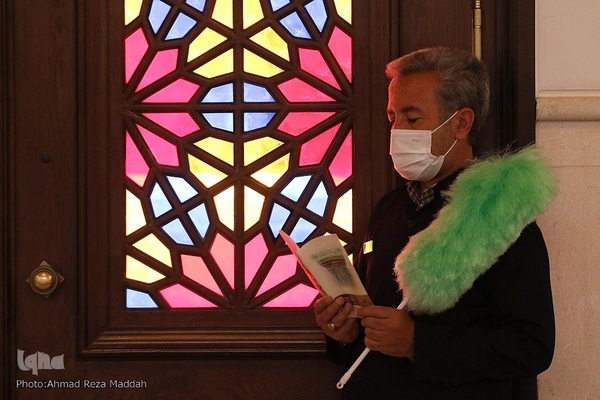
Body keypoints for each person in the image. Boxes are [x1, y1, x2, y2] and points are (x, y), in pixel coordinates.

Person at [313, 47, 556, 400]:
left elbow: (532, 346)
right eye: (392, 117)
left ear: (461, 123)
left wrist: (419, 343)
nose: (396, 131)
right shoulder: (387, 209)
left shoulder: (500, 215)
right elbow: (372, 314)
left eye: (412, 119)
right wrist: (344, 330)